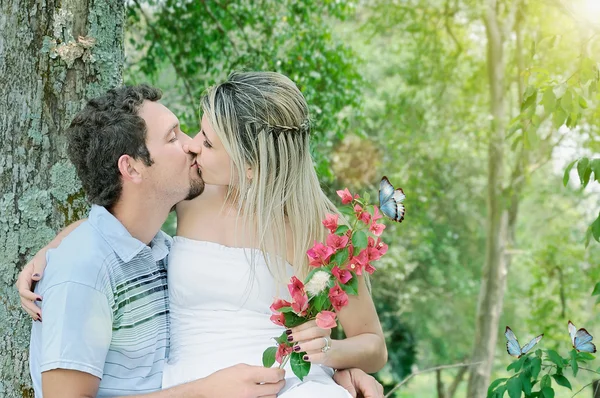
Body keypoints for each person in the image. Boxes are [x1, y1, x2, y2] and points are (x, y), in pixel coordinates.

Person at [17, 82, 385, 398]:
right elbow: (120, 219)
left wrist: (330, 356)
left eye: (207, 142)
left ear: (251, 164)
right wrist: (51, 253)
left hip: (282, 382)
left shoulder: (316, 228)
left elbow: (372, 344)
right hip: (191, 381)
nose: (193, 146)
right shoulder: (191, 196)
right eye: (194, 133)